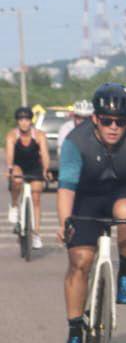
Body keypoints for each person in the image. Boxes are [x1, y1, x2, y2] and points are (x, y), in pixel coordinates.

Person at [57, 83, 126, 343]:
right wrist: (65, 222)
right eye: (106, 120)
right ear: (95, 119)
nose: (113, 127)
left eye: (121, 122)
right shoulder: (76, 141)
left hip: (121, 194)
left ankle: (125, 273)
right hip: (85, 198)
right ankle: (75, 331)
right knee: (80, 260)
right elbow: (66, 187)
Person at [6, 106, 51, 249]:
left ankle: (36, 234)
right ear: (17, 122)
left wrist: (46, 169)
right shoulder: (12, 135)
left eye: (26, 119)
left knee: (36, 195)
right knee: (17, 179)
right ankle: (14, 205)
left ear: (31, 121)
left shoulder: (39, 135)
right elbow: (9, 156)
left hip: (34, 167)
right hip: (19, 165)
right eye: (21, 120)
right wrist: (10, 169)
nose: (24, 122)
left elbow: (44, 154)